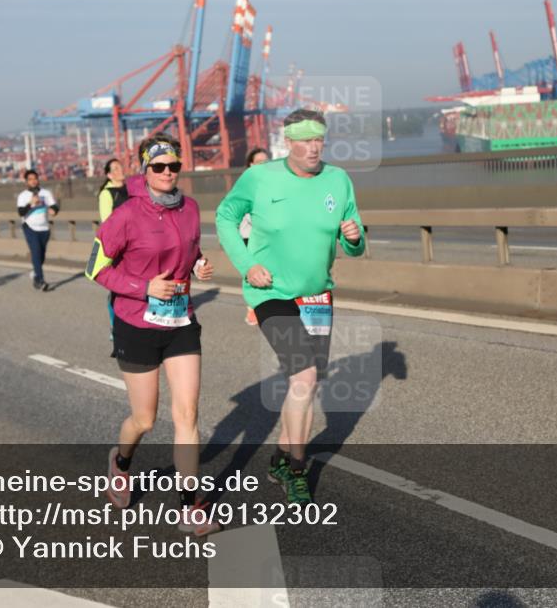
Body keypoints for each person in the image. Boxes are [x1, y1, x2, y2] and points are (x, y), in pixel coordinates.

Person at [215, 109, 366, 505]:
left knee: (306, 384)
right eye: (305, 140)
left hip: (316, 296)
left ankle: (281, 457)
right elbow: (225, 217)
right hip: (272, 293)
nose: (313, 148)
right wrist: (248, 266)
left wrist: (354, 237)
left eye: (319, 140)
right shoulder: (260, 177)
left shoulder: (338, 180)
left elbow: (354, 243)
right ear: (289, 142)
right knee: (304, 375)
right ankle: (297, 470)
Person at [87, 133, 219, 536]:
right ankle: (121, 462)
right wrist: (143, 287)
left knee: (187, 415)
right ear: (145, 170)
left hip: (180, 322)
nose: (167, 172)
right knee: (144, 419)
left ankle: (189, 508)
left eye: (173, 165)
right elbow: (95, 268)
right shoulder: (126, 214)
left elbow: (189, 250)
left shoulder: (190, 208)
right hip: (137, 324)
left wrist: (197, 265)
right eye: (159, 166)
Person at [98, 158, 130, 344]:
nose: (120, 170)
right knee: (117, 289)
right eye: (115, 169)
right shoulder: (106, 193)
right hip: (118, 246)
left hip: (135, 244)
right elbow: (107, 222)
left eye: (121, 167)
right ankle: (115, 326)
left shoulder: (132, 189)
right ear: (109, 175)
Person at [239, 147, 271, 326]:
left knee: (267, 271)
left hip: (266, 236)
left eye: (266, 162)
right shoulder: (246, 185)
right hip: (249, 236)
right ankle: (252, 308)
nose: (263, 165)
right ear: (250, 165)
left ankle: (262, 307)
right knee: (253, 272)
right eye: (259, 162)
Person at [16, 169, 59, 291]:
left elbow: (54, 206)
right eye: (30, 179)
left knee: (41, 256)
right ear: (26, 182)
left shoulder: (46, 193)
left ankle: (35, 274)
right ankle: (40, 280)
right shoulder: (23, 196)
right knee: (35, 252)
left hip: (44, 228)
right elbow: (20, 212)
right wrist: (30, 203)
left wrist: (54, 211)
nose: (33, 181)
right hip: (30, 227)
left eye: (35, 179)